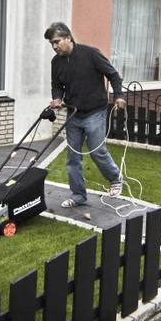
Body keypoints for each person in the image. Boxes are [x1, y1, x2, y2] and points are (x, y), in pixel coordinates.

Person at [45, 22, 127, 208]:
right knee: (73, 157)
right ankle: (78, 195)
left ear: (68, 38)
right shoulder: (56, 62)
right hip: (74, 114)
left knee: (97, 150)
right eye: (52, 43)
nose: (54, 46)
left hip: (95, 112)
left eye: (57, 41)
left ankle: (115, 178)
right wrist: (57, 98)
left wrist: (119, 96)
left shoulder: (91, 54)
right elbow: (56, 85)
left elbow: (113, 75)